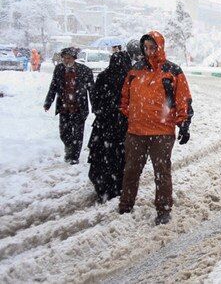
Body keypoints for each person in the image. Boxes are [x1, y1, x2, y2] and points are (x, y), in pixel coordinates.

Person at [118, 31, 193, 225]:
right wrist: (130, 115)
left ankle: (164, 209)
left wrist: (183, 123)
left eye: (152, 47)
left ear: (160, 47)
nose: (149, 51)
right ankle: (125, 206)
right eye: (146, 47)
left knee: (162, 172)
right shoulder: (135, 70)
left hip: (162, 133)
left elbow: (182, 99)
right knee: (131, 171)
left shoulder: (172, 71)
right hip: (136, 132)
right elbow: (124, 98)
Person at [88, 51, 132, 202]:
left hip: (103, 127)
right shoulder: (130, 79)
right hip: (121, 127)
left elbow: (96, 102)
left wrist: (104, 112)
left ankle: (102, 187)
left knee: (101, 156)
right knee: (119, 158)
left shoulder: (103, 77)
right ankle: (116, 187)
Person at [44, 47, 95, 164]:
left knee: (77, 134)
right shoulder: (59, 69)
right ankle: (69, 147)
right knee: (64, 132)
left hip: (79, 108)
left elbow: (92, 90)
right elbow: (53, 86)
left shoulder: (85, 70)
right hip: (64, 107)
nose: (66, 61)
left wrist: (95, 106)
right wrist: (48, 102)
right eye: (64, 58)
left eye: (68, 58)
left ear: (74, 58)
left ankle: (74, 157)